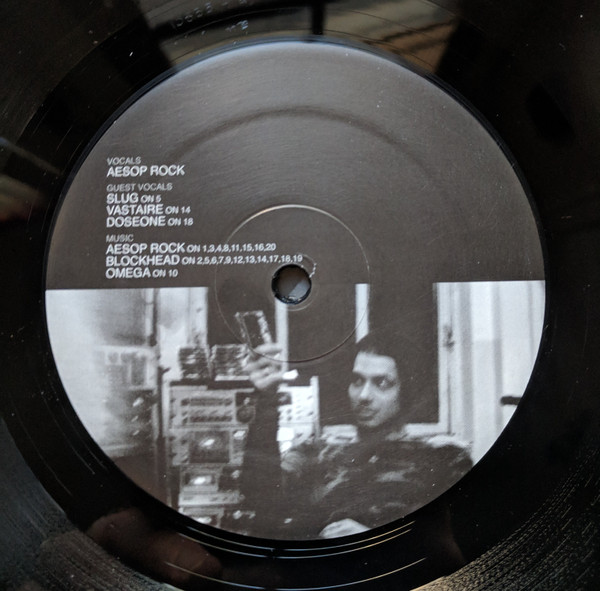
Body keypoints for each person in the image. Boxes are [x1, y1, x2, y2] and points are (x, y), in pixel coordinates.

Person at [239, 333, 472, 540]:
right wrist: (266, 399)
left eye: (382, 383)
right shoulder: (318, 452)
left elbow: (462, 545)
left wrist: (376, 541)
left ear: (406, 393)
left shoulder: (443, 460)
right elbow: (259, 495)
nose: (364, 395)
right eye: (357, 381)